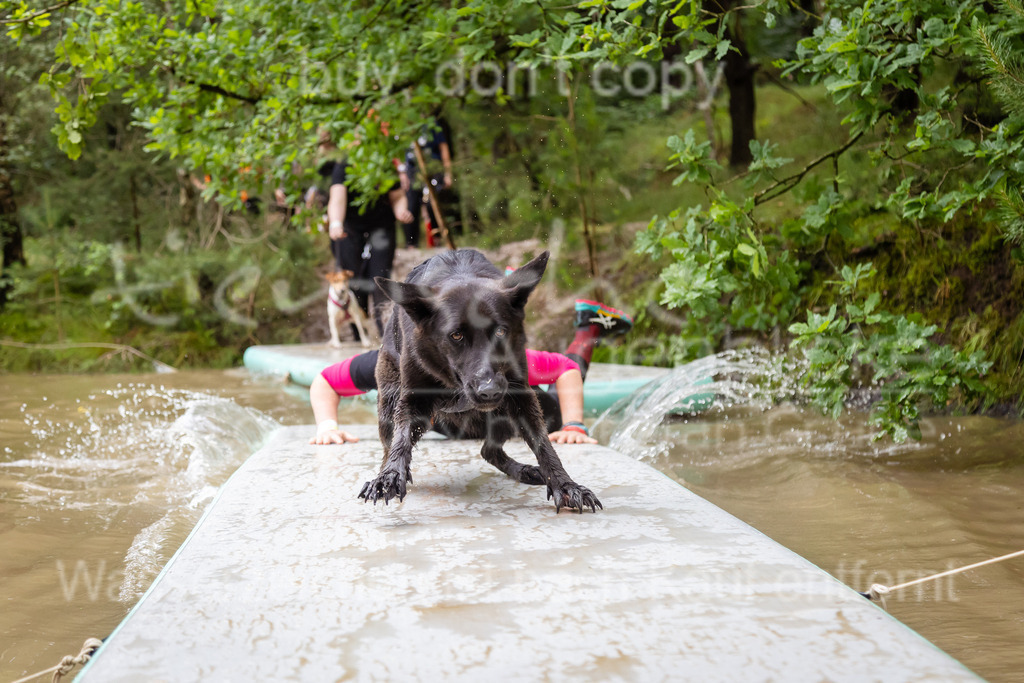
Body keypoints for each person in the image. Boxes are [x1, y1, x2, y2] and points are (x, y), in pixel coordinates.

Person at [309, 299, 634, 445]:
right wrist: (327, 426)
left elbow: (565, 369)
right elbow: (325, 381)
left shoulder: (482, 359)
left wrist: (574, 426)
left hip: (521, 417)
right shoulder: (391, 362)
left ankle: (588, 331)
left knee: (553, 403)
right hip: (467, 429)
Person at [324, 136, 413, 336]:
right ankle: (359, 332)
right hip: (350, 228)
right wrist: (336, 223)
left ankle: (386, 333)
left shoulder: (383, 165)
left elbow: (397, 196)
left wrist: (401, 211)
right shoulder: (343, 166)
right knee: (353, 279)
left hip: (381, 226)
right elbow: (337, 199)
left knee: (380, 278)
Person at [397, 119, 453, 248]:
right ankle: (411, 244)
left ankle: (437, 239)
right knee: (411, 206)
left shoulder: (432, 124)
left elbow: (443, 148)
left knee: (431, 205)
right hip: (412, 171)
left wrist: (448, 173)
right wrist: (402, 172)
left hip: (433, 169)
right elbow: (397, 151)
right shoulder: (401, 124)